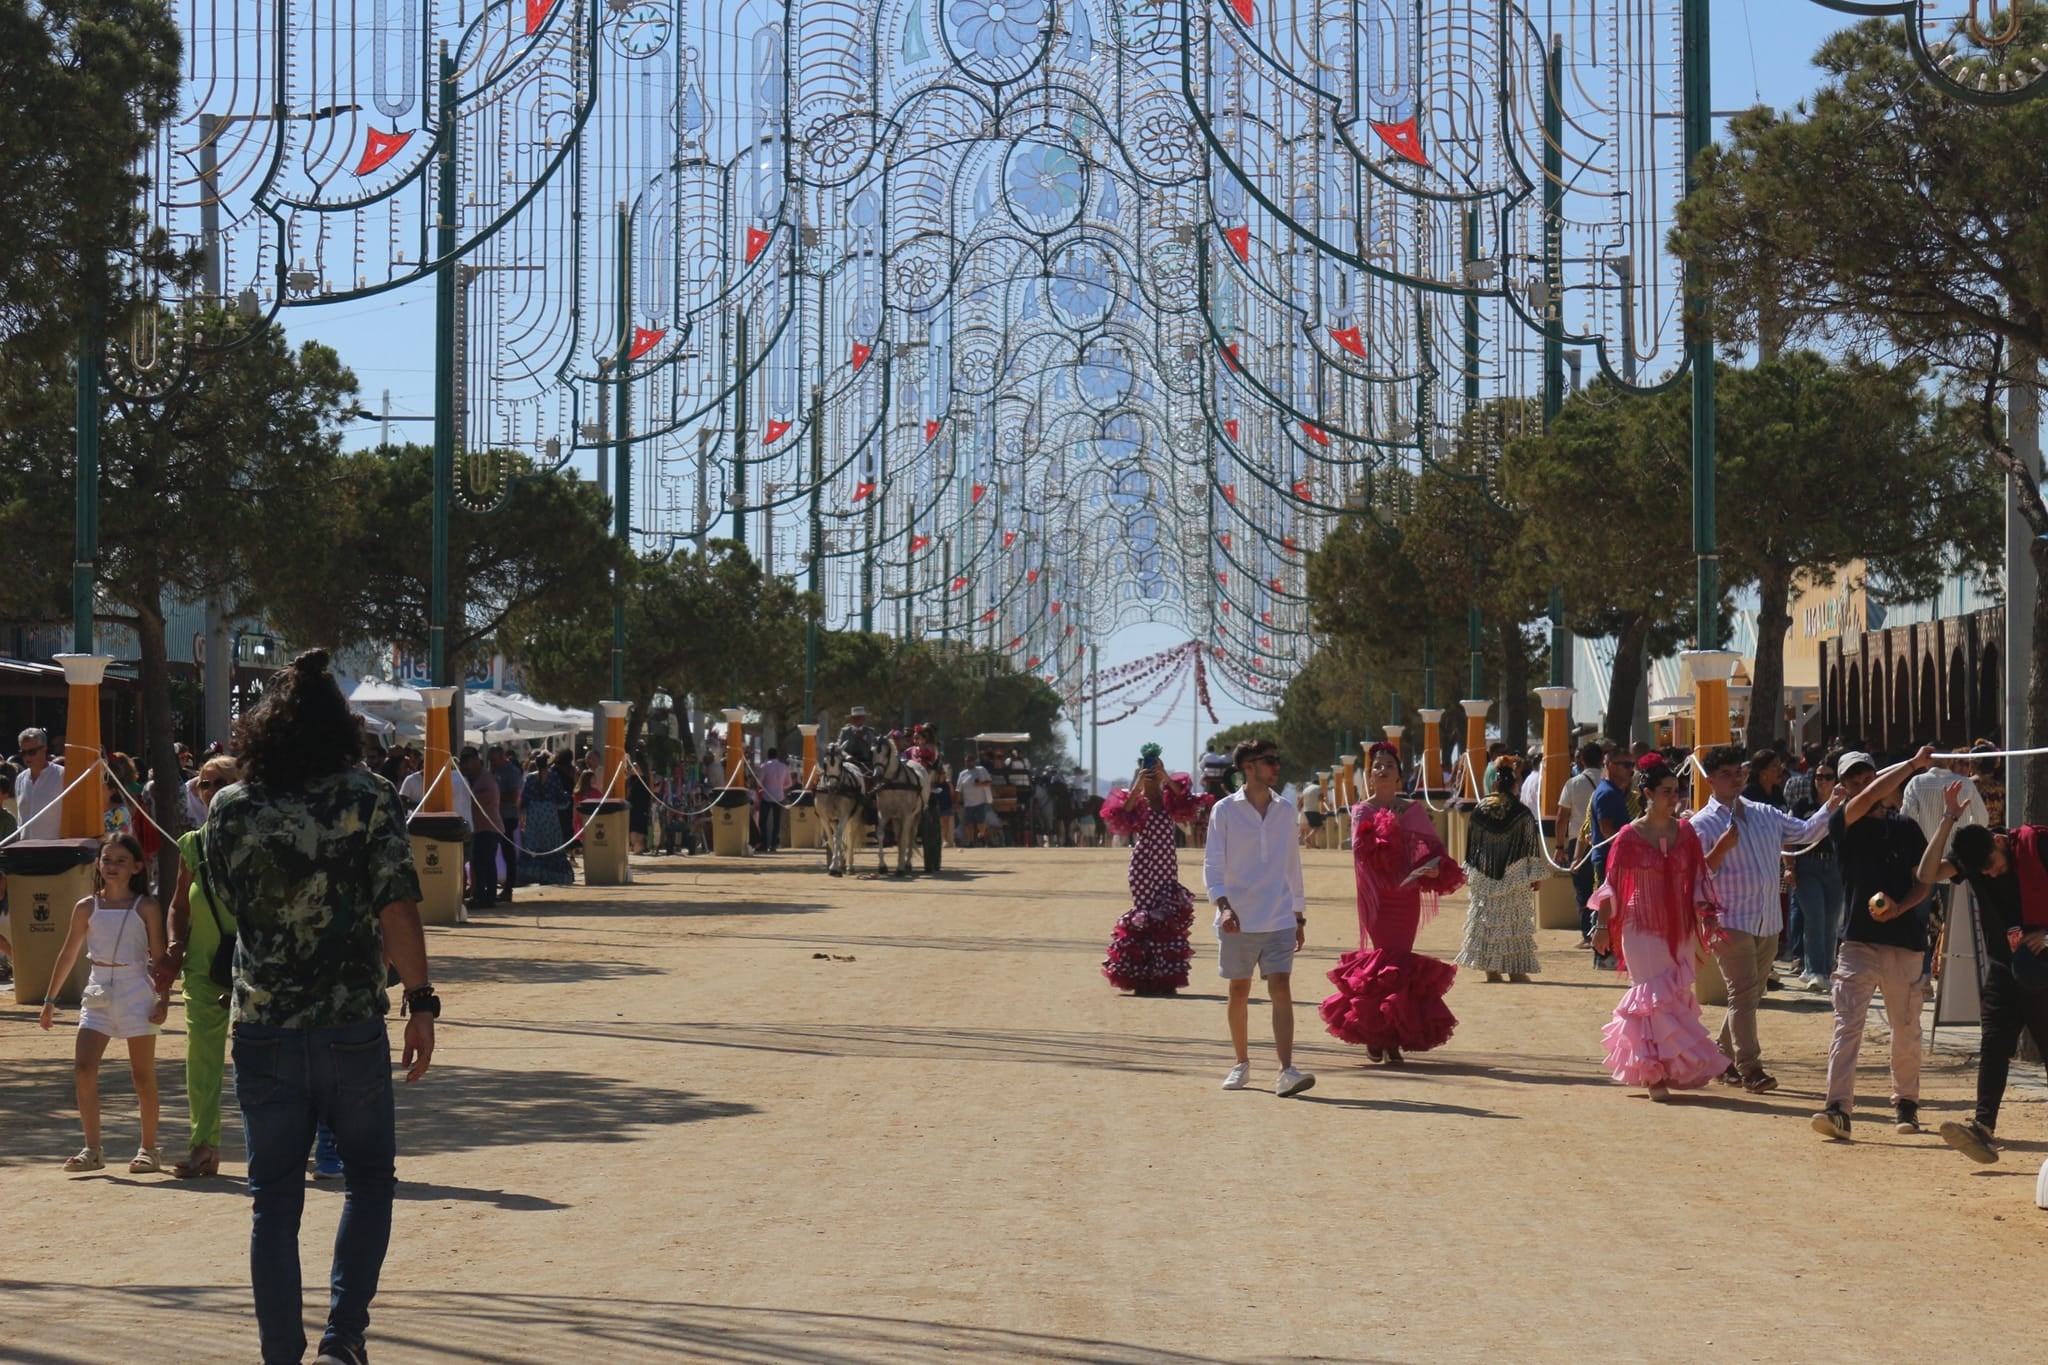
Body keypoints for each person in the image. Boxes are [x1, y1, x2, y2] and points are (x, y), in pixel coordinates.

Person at [205, 648, 437, 1365]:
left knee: (273, 1200)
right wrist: (422, 1001)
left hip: (265, 1023)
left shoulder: (229, 808)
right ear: (342, 727)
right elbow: (396, 905)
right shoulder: (367, 795)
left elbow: (227, 902)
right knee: (369, 1178)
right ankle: (345, 1337)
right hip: (348, 1022)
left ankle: (280, 1351)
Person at [1687, 744, 1839, 1093]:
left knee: (1749, 995)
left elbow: (1804, 833)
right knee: (1742, 993)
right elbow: (1693, 877)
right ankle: (1751, 1066)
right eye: (1726, 774)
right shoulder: (1701, 825)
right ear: (1710, 780)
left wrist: (1830, 806)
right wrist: (1720, 850)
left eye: (1738, 771)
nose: (1735, 778)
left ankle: (1722, 1058)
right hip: (1728, 919)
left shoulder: (1765, 813)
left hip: (1767, 919)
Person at [1916, 783, 2048, 1165]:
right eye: (1981, 872)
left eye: (1991, 864)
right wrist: (1948, 820)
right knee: (1993, 1043)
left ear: (1999, 842)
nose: (1988, 874)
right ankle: (1983, 1128)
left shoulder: (2035, 845)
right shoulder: (1972, 863)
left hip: (2041, 967)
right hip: (2004, 967)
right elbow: (1927, 874)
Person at [1588, 758, 1729, 1100]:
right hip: (1641, 927)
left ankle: (1671, 1067)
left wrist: (1709, 913)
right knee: (1651, 997)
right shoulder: (1628, 837)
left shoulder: (1686, 832)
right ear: (1647, 794)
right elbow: (1613, 885)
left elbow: (1699, 876)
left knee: (1676, 995)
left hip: (1679, 926)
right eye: (1666, 792)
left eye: (1676, 791)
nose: (1674, 798)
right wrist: (1603, 926)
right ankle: (1653, 1074)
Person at [1811, 750, 1933, 1141]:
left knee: (1906, 1028)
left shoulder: (1906, 828)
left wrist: (1901, 907)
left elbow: (1925, 879)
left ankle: (1906, 1104)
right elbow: (1863, 802)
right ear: (1843, 786)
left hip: (1905, 942)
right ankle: (1837, 1108)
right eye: (1853, 779)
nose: (1863, 784)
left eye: (1868, 776)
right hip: (1858, 940)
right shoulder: (1843, 822)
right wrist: (1911, 765)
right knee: (1848, 1026)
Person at [1320, 741, 1465, 1064]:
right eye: (1377, 766)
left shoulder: (1412, 809)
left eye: (1389, 765)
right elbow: (1360, 853)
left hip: (1406, 896)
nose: (1383, 769)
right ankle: (1376, 1033)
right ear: (1369, 777)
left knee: (1399, 960)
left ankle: (1391, 1037)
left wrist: (1430, 865)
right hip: (1379, 898)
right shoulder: (1361, 810)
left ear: (1399, 776)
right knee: (1384, 960)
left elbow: (1433, 849)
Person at [37, 832, 168, 1173]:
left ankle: (149, 1148)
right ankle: (92, 1148)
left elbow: (159, 957)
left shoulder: (147, 906)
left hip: (136, 987)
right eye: (107, 859)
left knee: (142, 1074)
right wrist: (50, 1000)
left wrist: (162, 998)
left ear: (137, 867)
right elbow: (68, 953)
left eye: (121, 861)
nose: (112, 866)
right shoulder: (86, 906)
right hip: (97, 986)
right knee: (83, 1067)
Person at [1204, 738, 1313, 1096]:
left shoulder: (1285, 810)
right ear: (1247, 768)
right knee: (1239, 989)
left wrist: (1299, 914)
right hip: (1238, 917)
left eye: (1277, 760)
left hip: (1279, 914)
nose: (1276, 766)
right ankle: (1241, 1063)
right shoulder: (1224, 811)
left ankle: (1286, 1070)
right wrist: (1223, 907)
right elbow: (1213, 865)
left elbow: (1291, 863)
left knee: (1280, 986)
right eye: (1268, 761)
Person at [151, 755, 242, 1179]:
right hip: (203, 968)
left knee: (263, 1061)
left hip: (255, 970)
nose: (211, 791)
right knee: (201, 1062)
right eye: (204, 784)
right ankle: (203, 1145)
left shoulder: (259, 841)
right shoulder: (192, 844)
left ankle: (279, 1149)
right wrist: (173, 945)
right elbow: (177, 905)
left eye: (221, 782)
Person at [1100, 745, 1202, 997]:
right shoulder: (1135, 801)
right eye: (1148, 769)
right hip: (1143, 866)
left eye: (1155, 768)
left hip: (1166, 865)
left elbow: (1187, 801)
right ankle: (1139, 976)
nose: (1152, 773)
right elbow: (1122, 814)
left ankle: (1164, 978)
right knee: (1144, 916)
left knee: (1166, 916)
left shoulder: (1170, 800)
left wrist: (1165, 776)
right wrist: (1137, 784)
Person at [1455, 756, 1545, 983]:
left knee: (1487, 918)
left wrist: (1471, 870)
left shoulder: (1480, 809)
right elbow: (1529, 846)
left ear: (1494, 783)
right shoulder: (1522, 812)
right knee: (1513, 921)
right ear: (1515, 783)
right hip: (1514, 872)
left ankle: (1491, 969)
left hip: (1485, 871)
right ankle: (1515, 969)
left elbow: (1473, 846)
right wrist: (1534, 875)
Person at [1785, 756, 1844, 992]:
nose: (1822, 781)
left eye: (1828, 777)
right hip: (1807, 866)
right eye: (1818, 776)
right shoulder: (1802, 806)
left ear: (1836, 781)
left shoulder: (1845, 807)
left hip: (1836, 867)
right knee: (1814, 917)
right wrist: (1789, 867)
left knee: (1831, 922)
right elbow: (1788, 837)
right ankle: (1814, 970)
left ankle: (1827, 970)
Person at [1556, 742, 1605, 942]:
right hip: (1605, 841)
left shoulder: (1573, 784)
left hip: (1579, 841)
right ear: (1602, 759)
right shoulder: (1609, 781)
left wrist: (1559, 846)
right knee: (1604, 887)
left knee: (1583, 889)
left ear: (1581, 760)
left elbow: (1562, 817)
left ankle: (1587, 933)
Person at [518, 750, 576, 885]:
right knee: (551, 844)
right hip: (549, 813)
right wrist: (568, 798)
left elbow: (525, 798)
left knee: (534, 844)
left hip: (534, 814)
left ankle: (533, 874)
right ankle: (552, 875)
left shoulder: (530, 778)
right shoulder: (554, 777)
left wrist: (523, 813)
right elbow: (561, 797)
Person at [461, 748, 503, 910]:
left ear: (476, 761)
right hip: (479, 827)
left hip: (487, 827)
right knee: (483, 863)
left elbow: (479, 800)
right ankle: (484, 896)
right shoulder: (474, 778)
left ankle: (484, 896)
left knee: (482, 863)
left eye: (467, 763)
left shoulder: (485, 779)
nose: (465, 767)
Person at [14, 726, 65, 840]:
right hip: (25, 849)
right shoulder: (20, 779)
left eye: (31, 752)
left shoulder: (62, 775)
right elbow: (20, 818)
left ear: (44, 749)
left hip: (53, 848)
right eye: (23, 752)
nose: (27, 757)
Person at [490, 746, 523, 902]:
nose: (492, 763)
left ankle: (508, 888)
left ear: (502, 757)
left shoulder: (511, 772)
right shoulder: (494, 771)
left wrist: (494, 799)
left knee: (507, 853)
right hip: (495, 817)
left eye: (494, 760)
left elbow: (514, 797)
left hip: (507, 817)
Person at [757, 748, 790, 851]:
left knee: (762, 821)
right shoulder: (784, 767)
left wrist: (764, 787)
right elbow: (789, 783)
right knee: (777, 822)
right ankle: (773, 844)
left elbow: (759, 782)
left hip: (767, 796)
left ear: (768, 755)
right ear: (777, 755)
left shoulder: (765, 766)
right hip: (779, 797)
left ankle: (764, 843)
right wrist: (781, 787)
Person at [1297, 774, 1326, 848]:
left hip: (1306, 810)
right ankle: (1308, 838)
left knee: (1311, 827)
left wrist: (1299, 808)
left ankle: (1313, 844)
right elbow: (1321, 798)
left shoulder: (1306, 789)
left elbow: (1300, 800)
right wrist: (1323, 799)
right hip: (1313, 809)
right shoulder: (1318, 787)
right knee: (1318, 826)